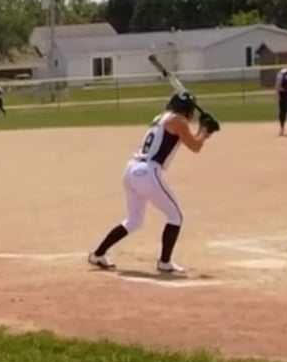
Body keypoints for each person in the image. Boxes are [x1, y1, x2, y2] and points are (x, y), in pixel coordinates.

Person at [87, 91, 219, 275]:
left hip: (131, 169)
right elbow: (195, 146)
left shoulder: (161, 118)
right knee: (175, 216)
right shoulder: (178, 121)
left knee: (133, 221)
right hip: (148, 171)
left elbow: (186, 138)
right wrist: (204, 131)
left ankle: (98, 254)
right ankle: (165, 262)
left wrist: (203, 131)